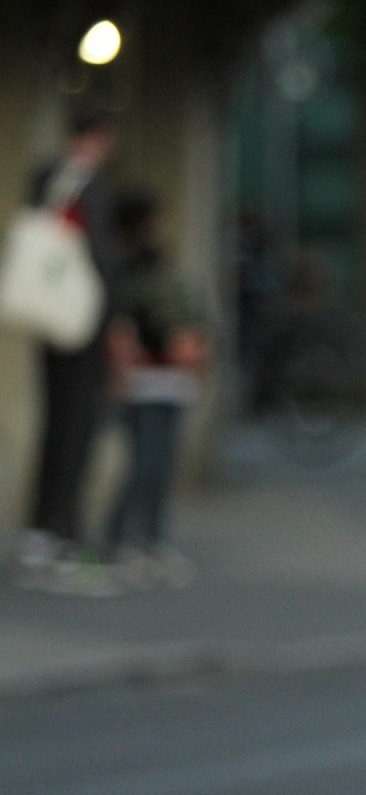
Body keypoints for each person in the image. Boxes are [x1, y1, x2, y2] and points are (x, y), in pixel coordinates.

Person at [13, 106, 125, 594]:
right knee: (75, 425)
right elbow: (97, 254)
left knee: (60, 422)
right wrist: (116, 315)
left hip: (56, 318)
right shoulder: (81, 182)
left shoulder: (52, 178)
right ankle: (60, 529)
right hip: (77, 319)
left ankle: (46, 526)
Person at [104, 192, 205, 590]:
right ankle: (119, 539)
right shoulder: (126, 270)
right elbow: (130, 322)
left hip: (170, 377)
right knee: (145, 463)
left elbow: (187, 313)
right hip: (142, 376)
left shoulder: (162, 266)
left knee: (161, 465)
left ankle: (152, 540)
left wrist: (194, 346)